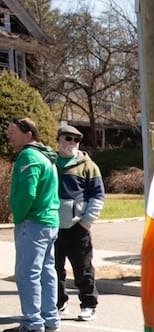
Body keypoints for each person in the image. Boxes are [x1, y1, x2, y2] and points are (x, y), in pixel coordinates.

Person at [2, 117, 60, 332]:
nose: (9, 135)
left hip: (33, 222)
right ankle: (50, 318)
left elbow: (27, 192)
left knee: (27, 273)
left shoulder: (28, 156)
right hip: (49, 221)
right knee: (46, 271)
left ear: (28, 135)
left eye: (13, 132)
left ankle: (33, 322)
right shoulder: (46, 155)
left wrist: (18, 215)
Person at [54, 124, 104, 321]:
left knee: (83, 269)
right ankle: (59, 303)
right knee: (53, 269)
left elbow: (98, 196)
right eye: (68, 138)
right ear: (58, 139)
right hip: (52, 226)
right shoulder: (50, 163)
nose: (72, 143)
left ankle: (89, 304)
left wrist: (86, 221)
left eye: (76, 140)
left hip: (77, 227)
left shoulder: (88, 166)